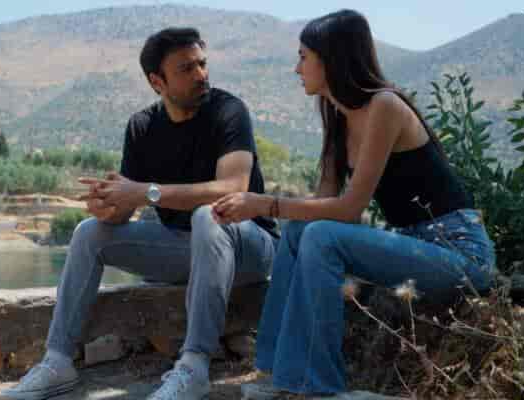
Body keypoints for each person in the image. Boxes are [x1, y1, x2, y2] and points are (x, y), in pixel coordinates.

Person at [209, 10, 497, 399]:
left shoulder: (385, 106)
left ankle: (317, 385)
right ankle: (276, 371)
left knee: (322, 236)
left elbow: (348, 209)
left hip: (459, 254)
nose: (297, 68)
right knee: (301, 231)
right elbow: (323, 204)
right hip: (412, 245)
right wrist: (264, 207)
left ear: (332, 60)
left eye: (303, 57)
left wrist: (263, 204)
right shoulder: (338, 117)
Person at [0, 27, 278, 400]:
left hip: (249, 247)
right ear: (156, 81)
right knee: (88, 232)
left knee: (208, 216)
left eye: (202, 64)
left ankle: (194, 366)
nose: (201, 75)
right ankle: (58, 361)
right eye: (186, 69)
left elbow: (234, 189)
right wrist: (108, 206)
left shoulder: (229, 111)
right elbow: (124, 210)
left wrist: (145, 192)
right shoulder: (142, 127)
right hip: (187, 248)